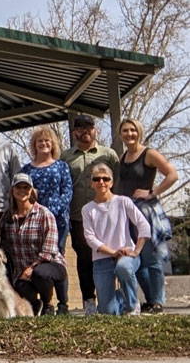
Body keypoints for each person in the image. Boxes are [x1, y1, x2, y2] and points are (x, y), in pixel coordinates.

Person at [116, 118, 178, 315]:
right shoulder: (123, 157)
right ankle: (150, 301)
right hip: (129, 213)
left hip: (146, 213)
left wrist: (153, 192)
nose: (129, 134)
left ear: (139, 132)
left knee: (151, 259)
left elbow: (172, 174)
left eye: (133, 130)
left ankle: (159, 301)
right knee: (138, 258)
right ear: (120, 135)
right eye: (125, 131)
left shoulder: (148, 154)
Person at [61, 114, 119, 315]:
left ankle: (112, 298)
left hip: (107, 215)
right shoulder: (66, 156)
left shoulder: (109, 154)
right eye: (80, 128)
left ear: (95, 130)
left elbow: (117, 183)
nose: (85, 132)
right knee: (85, 259)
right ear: (74, 132)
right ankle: (89, 300)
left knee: (110, 255)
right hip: (79, 217)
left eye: (89, 128)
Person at [81, 163, 151, 315]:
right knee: (108, 312)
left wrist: (136, 251)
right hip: (101, 259)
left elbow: (144, 226)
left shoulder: (123, 201)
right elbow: (90, 238)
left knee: (123, 268)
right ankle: (120, 297)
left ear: (111, 182)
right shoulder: (87, 209)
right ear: (91, 183)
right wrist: (112, 252)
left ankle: (133, 305)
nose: (101, 182)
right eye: (97, 179)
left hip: (126, 256)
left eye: (106, 179)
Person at [20, 126, 73, 315]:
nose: (43, 144)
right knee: (38, 259)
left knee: (57, 257)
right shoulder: (27, 168)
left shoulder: (61, 166)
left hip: (58, 219)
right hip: (34, 220)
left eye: (47, 141)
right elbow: (22, 193)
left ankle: (63, 303)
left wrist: (55, 210)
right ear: (34, 145)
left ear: (53, 144)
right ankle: (46, 302)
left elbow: (67, 191)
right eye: (39, 141)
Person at [0, 173, 68, 316]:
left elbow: (49, 249)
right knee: (20, 287)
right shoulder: (7, 217)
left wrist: (32, 268)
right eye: (18, 187)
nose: (22, 190)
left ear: (31, 190)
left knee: (40, 273)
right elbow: (3, 245)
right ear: (12, 190)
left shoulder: (44, 213)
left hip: (50, 264)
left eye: (26, 187)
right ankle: (35, 304)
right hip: (22, 271)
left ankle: (48, 304)